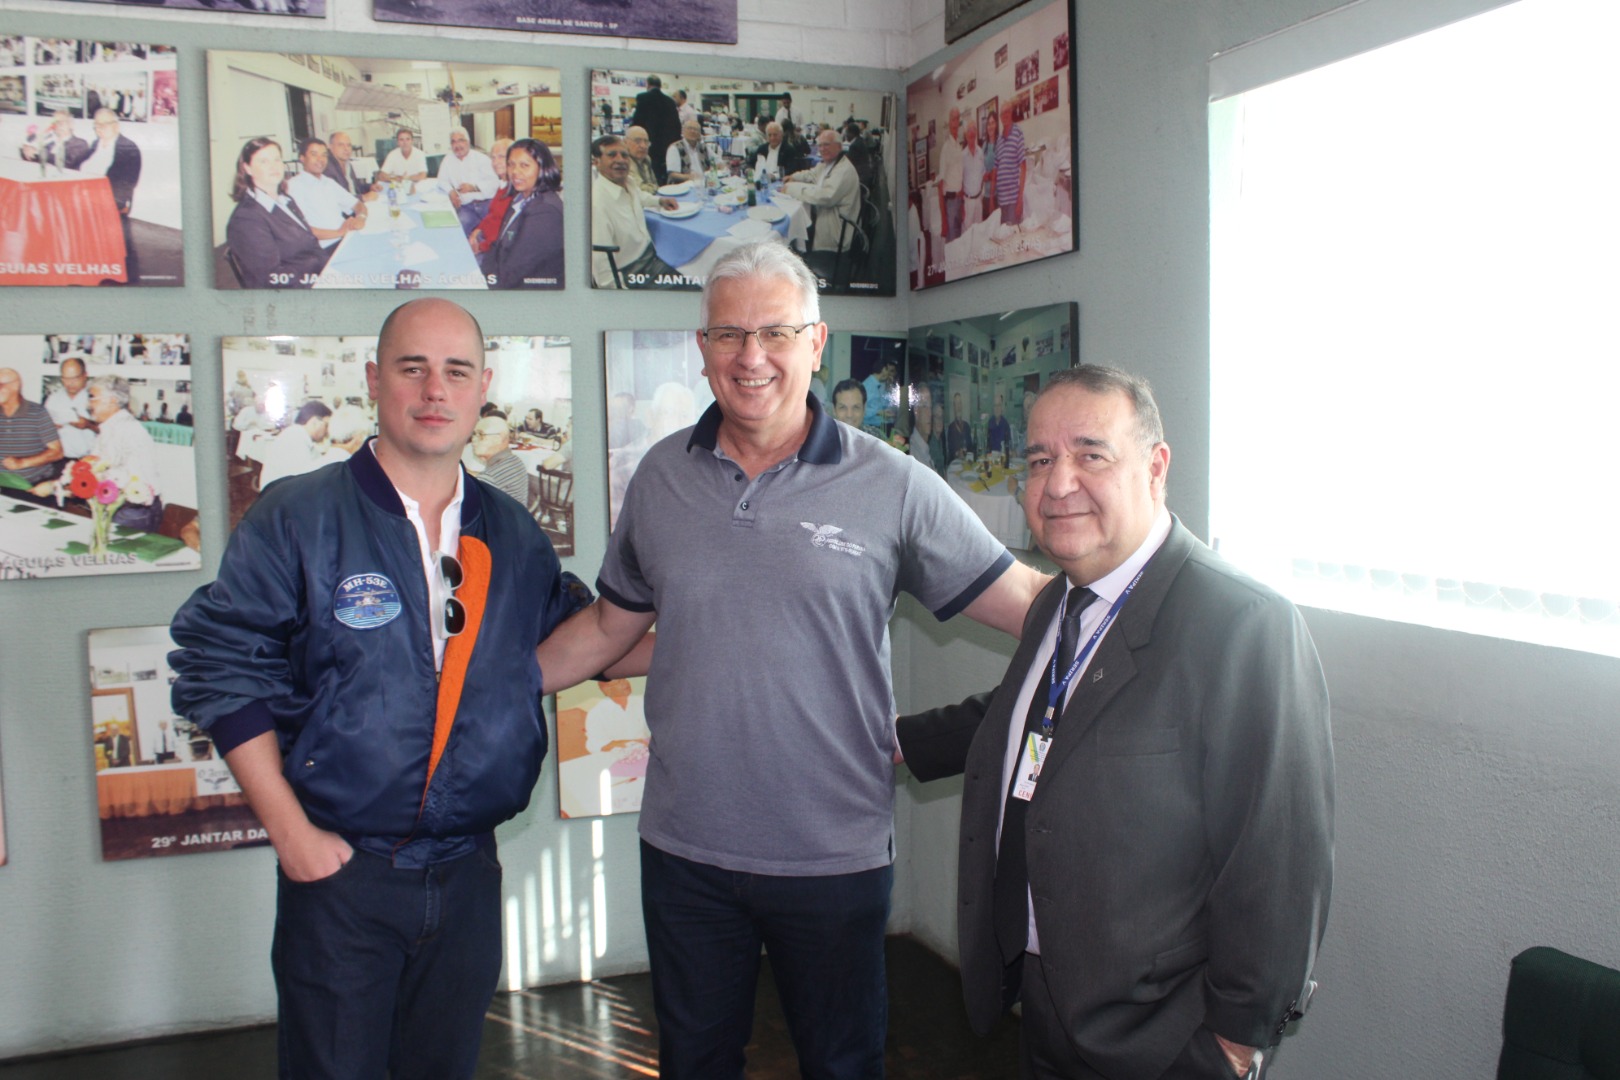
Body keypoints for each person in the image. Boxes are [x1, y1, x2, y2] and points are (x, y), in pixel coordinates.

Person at [531, 240, 1050, 1080]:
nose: (752, 356)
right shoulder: (661, 478)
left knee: (841, 1065)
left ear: (816, 342)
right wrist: (489, 684)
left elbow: (1034, 607)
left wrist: (1149, 601)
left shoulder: (892, 484)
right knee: (695, 1062)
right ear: (702, 348)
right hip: (685, 850)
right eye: (729, 334)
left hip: (831, 854)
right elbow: (606, 628)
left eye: (775, 332)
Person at [168, 298, 597, 1080]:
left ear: (482, 388)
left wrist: (708, 620)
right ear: (374, 379)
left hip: (468, 876)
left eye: (456, 372)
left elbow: (573, 641)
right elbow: (220, 664)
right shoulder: (299, 515)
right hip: (343, 877)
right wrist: (293, 837)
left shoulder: (510, 530)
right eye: (412, 368)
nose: (435, 390)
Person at [897, 367, 1334, 1080]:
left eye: (1090, 455)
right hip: (1047, 1002)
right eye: (1041, 459)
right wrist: (897, 741)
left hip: (1162, 1035)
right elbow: (1034, 719)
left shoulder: (1244, 625)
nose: (1058, 483)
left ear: (1155, 468)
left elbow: (1278, 859)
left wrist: (1233, 1043)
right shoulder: (1060, 602)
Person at [224, 137, 330, 289]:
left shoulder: (285, 200)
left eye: (277, 159)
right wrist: (319, 275)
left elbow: (312, 242)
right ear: (247, 168)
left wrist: (329, 267)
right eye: (264, 161)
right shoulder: (246, 219)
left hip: (316, 276)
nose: (273, 166)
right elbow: (271, 278)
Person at [589, 135, 680, 289]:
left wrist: (659, 201)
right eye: (612, 155)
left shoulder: (628, 182)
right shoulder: (597, 203)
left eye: (624, 155)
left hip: (652, 256)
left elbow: (640, 196)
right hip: (632, 273)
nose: (620, 160)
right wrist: (624, 295)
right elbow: (602, 265)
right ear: (596, 162)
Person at [478, 139, 564, 290]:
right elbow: (498, 245)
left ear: (542, 168)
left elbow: (517, 270)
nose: (515, 172)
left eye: (524, 165)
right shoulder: (519, 198)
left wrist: (484, 284)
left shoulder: (545, 212)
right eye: (511, 164)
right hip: (500, 274)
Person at [85, 375, 163, 531]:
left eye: (92, 398)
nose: (88, 404)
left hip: (132, 509)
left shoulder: (127, 429)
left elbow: (131, 479)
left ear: (112, 400)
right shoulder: (111, 427)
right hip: (120, 505)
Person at [76, 109, 143, 280]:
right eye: (96, 125)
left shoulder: (128, 148)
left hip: (112, 202)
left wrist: (99, 198)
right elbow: (77, 165)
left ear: (116, 126)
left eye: (104, 124)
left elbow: (128, 182)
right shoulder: (95, 145)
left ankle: (126, 276)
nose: (99, 128)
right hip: (87, 199)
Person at [783, 129, 861, 253]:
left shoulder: (843, 170)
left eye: (827, 145)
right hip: (827, 217)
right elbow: (812, 174)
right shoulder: (830, 163)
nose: (822, 149)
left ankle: (801, 254)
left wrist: (791, 189)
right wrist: (793, 177)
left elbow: (825, 197)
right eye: (820, 145)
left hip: (836, 232)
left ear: (839, 146)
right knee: (801, 219)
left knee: (794, 226)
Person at [285, 138, 366, 249]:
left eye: (324, 155)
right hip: (326, 247)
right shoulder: (294, 186)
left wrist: (360, 218)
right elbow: (301, 229)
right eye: (314, 154)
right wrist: (339, 232)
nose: (320, 159)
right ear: (302, 158)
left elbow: (358, 204)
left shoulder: (328, 182)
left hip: (346, 239)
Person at [0, 367, 65, 492]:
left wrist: (22, 463)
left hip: (32, 487)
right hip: (2, 486)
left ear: (15, 386)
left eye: (0, 385)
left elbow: (57, 452)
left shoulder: (37, 413)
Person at [437, 129, 500, 235]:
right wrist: (451, 191)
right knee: (457, 231)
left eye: (461, 140)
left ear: (468, 142)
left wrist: (474, 187)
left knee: (494, 233)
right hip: (466, 207)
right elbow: (441, 180)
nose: (457, 145)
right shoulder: (448, 159)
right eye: (453, 142)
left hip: (486, 205)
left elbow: (495, 183)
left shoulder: (482, 159)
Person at [257, 400, 331, 489]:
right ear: (314, 422)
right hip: (278, 494)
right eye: (326, 425)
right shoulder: (294, 438)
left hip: (285, 491)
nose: (327, 432)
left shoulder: (299, 434)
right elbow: (304, 480)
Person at [628, 74, 682, 185]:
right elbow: (677, 126)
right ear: (660, 86)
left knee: (653, 173)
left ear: (647, 85)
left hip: (651, 144)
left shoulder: (643, 98)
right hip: (668, 145)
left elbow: (637, 122)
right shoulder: (670, 101)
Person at [467, 139, 516, 256]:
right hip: (484, 240)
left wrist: (481, 247)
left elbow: (505, 235)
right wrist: (477, 230)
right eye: (493, 158)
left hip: (495, 251)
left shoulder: (515, 192)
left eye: (501, 157)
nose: (496, 162)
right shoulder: (502, 185)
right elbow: (492, 215)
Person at [44, 357, 97, 460]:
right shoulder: (53, 399)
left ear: (85, 375)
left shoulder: (95, 397)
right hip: (59, 458)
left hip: (89, 459)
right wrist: (50, 428)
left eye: (75, 378)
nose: (70, 383)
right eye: (66, 379)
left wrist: (89, 425)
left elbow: (111, 430)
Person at [469, 415, 528, 506]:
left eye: (480, 434)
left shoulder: (488, 478)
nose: (474, 439)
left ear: (497, 439)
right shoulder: (515, 460)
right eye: (474, 434)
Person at [993, 98, 1027, 228]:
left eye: (1007, 111)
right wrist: (993, 198)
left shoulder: (1018, 133)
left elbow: (1023, 167)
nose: (1005, 115)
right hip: (1001, 201)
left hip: (1013, 200)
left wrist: (1020, 200)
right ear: (1000, 117)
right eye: (1002, 113)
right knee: (1004, 236)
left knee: (1014, 236)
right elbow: (996, 168)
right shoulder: (999, 140)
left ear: (1011, 112)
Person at [19, 110, 87, 169]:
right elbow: (32, 158)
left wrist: (40, 152)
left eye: (63, 122)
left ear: (71, 125)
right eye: (56, 122)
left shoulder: (80, 143)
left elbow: (68, 163)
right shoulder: (48, 141)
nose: (59, 125)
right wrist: (27, 150)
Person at [321, 130, 374, 199]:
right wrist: (363, 197)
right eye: (341, 145)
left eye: (348, 145)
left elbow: (356, 188)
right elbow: (337, 197)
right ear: (330, 147)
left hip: (356, 203)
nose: (346, 149)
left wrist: (370, 187)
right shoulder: (328, 168)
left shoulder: (348, 164)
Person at [938, 107, 964, 243]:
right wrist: (943, 220)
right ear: (949, 123)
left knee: (959, 242)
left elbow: (960, 178)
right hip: (950, 204)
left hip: (959, 201)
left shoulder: (959, 146)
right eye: (953, 119)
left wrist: (962, 203)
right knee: (952, 244)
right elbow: (940, 185)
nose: (955, 122)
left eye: (957, 119)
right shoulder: (946, 148)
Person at [908, 383, 944, 473]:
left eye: (930, 407)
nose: (929, 413)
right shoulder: (913, 455)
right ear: (916, 411)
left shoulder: (924, 448)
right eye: (925, 406)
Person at [664, 119, 709, 185]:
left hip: (704, 183)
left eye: (696, 129)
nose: (693, 131)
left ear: (700, 133)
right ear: (683, 131)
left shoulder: (703, 147)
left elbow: (716, 162)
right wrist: (690, 177)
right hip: (683, 186)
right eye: (689, 128)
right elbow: (672, 175)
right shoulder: (675, 148)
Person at [861, 357, 899, 431]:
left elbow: (877, 405)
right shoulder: (868, 386)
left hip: (880, 425)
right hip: (871, 426)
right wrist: (879, 412)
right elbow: (862, 409)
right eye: (888, 370)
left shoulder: (877, 385)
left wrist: (884, 412)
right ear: (883, 369)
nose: (889, 374)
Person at [961, 121, 986, 232]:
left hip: (979, 201)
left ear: (976, 133)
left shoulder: (981, 152)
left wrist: (982, 194)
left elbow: (983, 174)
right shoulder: (962, 156)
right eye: (969, 130)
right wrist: (962, 204)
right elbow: (960, 182)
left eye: (973, 130)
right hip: (967, 203)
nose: (971, 133)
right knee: (967, 235)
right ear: (965, 135)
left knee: (979, 232)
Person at [623, 126, 660, 194]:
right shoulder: (624, 162)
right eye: (637, 141)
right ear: (625, 143)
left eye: (646, 142)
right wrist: (656, 188)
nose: (643, 146)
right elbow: (639, 190)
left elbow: (654, 183)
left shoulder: (646, 159)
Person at [947, 391, 975, 461]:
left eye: (959, 403)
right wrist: (957, 453)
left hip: (967, 462)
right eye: (956, 404)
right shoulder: (951, 428)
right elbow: (950, 451)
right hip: (955, 464)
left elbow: (971, 448)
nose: (958, 407)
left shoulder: (967, 426)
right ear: (954, 407)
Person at [985, 393, 1011, 458]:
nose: (997, 408)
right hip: (990, 459)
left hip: (1001, 458)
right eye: (995, 405)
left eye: (999, 405)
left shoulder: (1006, 424)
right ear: (993, 408)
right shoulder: (989, 423)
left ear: (1002, 407)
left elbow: (1008, 447)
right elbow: (987, 446)